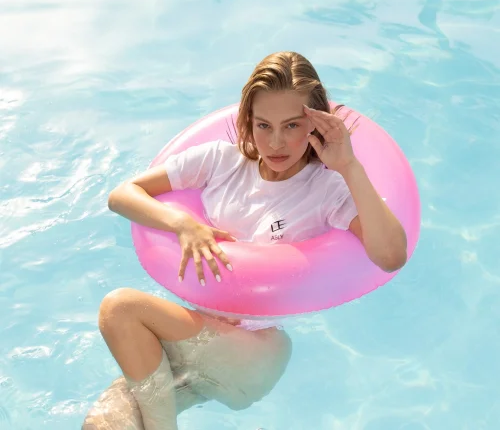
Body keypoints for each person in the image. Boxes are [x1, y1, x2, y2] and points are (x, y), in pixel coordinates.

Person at [82, 51, 407, 429]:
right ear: (247, 121)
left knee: (121, 308)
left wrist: (348, 166)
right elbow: (123, 195)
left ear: (315, 123)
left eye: (292, 125)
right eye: (263, 125)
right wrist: (183, 224)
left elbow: (391, 255)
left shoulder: (326, 189)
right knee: (103, 424)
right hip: (192, 335)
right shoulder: (220, 162)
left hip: (253, 352)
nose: (276, 142)